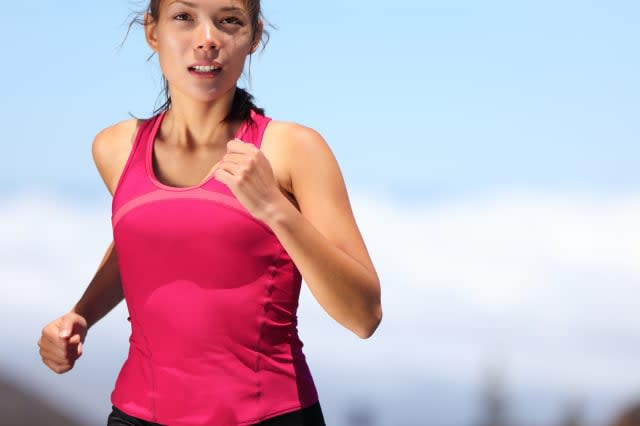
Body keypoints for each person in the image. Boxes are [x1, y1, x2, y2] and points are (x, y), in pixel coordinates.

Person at [37, 0, 382, 425]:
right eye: (184, 17)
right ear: (152, 30)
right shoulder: (115, 148)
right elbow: (147, 245)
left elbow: (364, 316)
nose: (207, 40)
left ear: (254, 37)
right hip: (135, 415)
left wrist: (275, 209)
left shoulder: (294, 150)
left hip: (269, 416)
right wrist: (81, 315)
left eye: (229, 21)